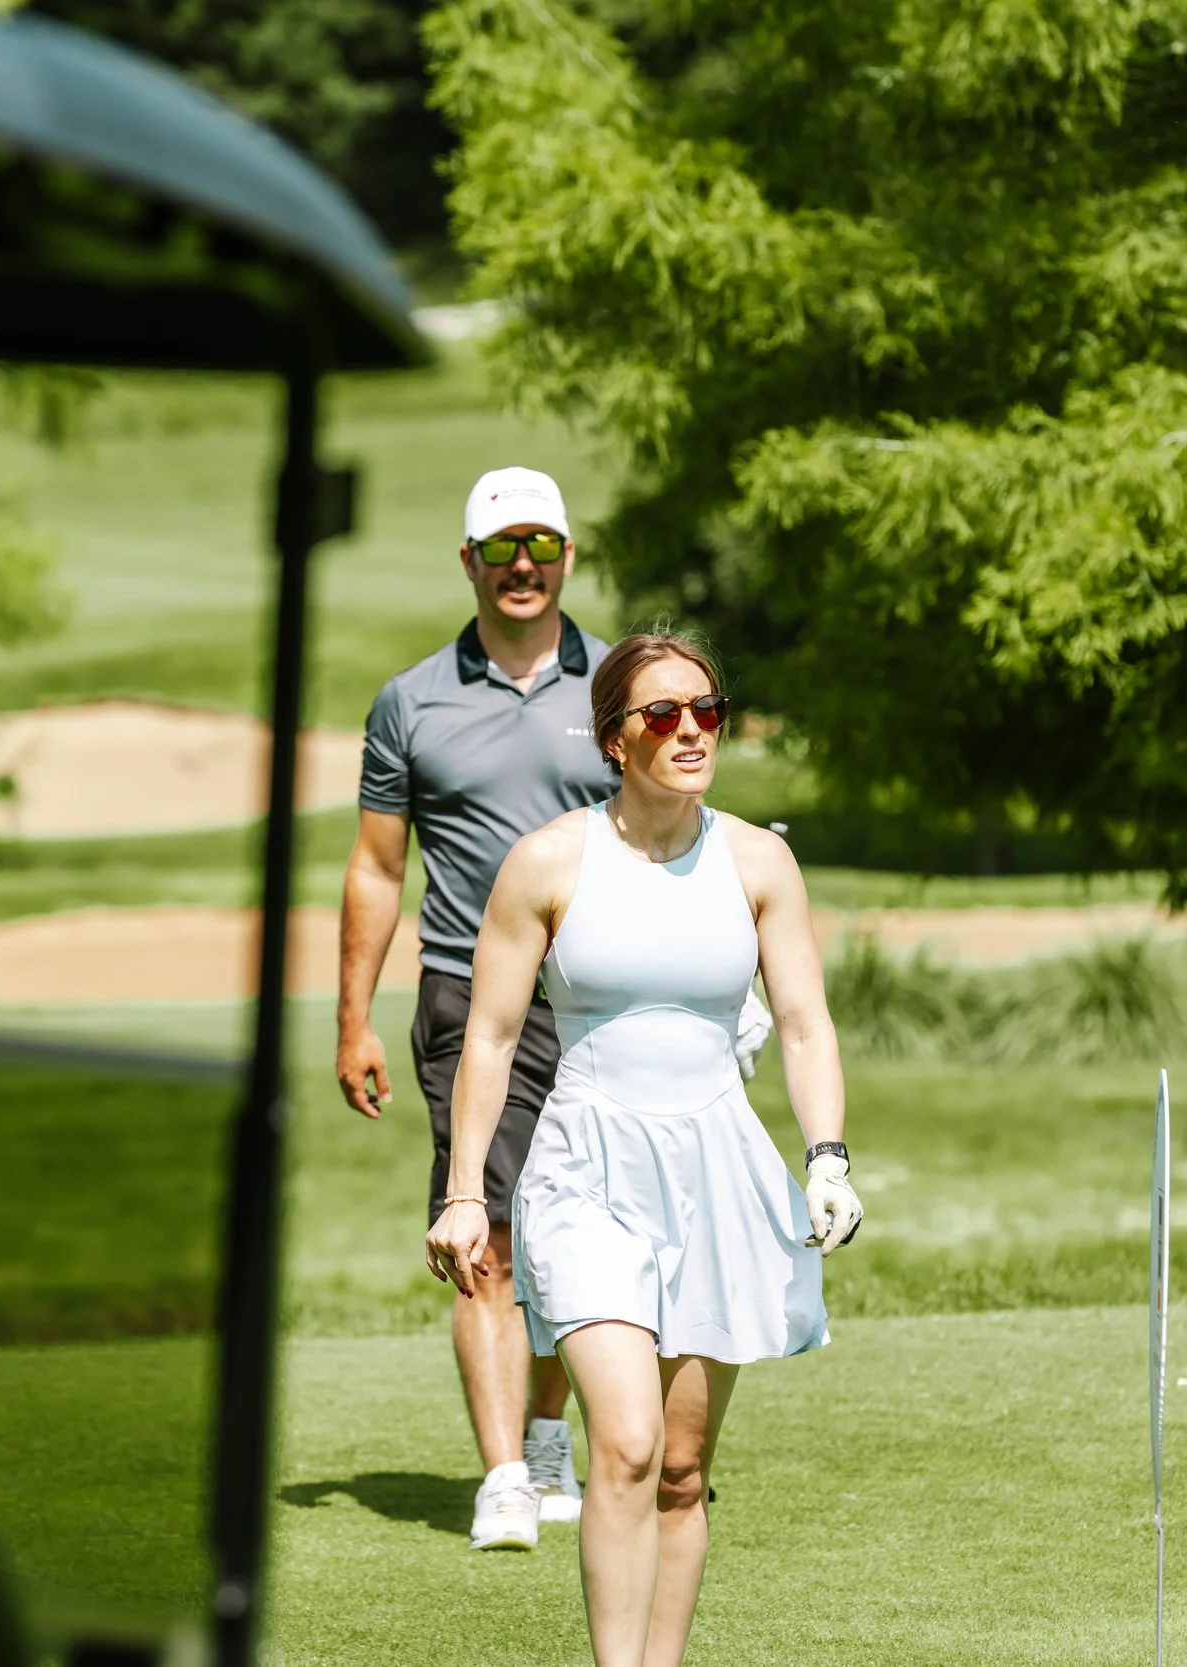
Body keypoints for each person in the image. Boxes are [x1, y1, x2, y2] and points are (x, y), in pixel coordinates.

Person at [426, 631, 864, 1667]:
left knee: (678, 1464)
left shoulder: (759, 860)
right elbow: (487, 1037)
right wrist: (461, 1190)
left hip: (716, 1172)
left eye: (705, 710)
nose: (689, 731)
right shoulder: (548, 862)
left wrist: (830, 1155)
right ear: (612, 738)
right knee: (620, 1441)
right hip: (585, 1171)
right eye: (661, 715)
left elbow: (802, 1022)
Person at [337, 466, 619, 1549]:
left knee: (579, 1232)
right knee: (487, 1233)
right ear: (468, 561)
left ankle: (549, 1434)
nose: (521, 567)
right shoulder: (410, 699)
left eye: (540, 546)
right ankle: (505, 1469)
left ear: (565, 557)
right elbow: (374, 868)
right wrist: (351, 1017)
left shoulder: (617, 689)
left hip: (595, 992)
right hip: (465, 995)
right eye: (500, 549)